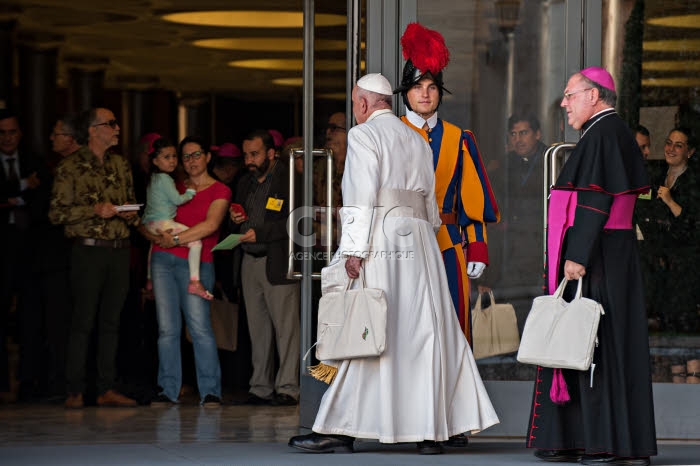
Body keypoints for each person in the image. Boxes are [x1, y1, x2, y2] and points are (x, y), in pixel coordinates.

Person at [288, 73, 499, 455]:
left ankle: (342, 428)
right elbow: (431, 206)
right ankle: (429, 432)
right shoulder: (417, 139)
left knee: (371, 328)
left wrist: (352, 250)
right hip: (420, 241)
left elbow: (359, 195)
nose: (356, 110)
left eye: (355, 103)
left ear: (365, 103)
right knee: (421, 332)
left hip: (381, 236)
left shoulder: (363, 134)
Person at [528, 67, 656, 465]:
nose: (564, 104)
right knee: (600, 344)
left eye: (569, 95)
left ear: (594, 95)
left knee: (593, 345)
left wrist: (576, 257)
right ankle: (585, 438)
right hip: (610, 252)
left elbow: (594, 202)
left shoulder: (601, 133)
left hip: (598, 254)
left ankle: (603, 442)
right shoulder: (608, 132)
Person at [395, 23, 499, 349]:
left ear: (440, 92)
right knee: (407, 330)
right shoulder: (388, 134)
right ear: (406, 92)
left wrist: (477, 245)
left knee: (452, 328)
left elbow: (472, 199)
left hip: (448, 245)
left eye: (431, 86)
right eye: (417, 86)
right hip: (399, 246)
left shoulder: (459, 139)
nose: (424, 93)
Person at [49, 107, 140, 409]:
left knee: (112, 322)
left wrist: (133, 214)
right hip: (88, 250)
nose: (117, 129)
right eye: (111, 124)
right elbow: (56, 213)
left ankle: (106, 388)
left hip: (119, 248)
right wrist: (93, 209)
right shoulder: (70, 166)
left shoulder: (121, 164)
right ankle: (74, 389)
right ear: (92, 130)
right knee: (83, 321)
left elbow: (130, 206)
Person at [143, 136, 230, 407]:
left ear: (207, 157)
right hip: (162, 260)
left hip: (198, 262)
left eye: (196, 154)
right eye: (185, 156)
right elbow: (151, 222)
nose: (191, 161)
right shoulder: (172, 186)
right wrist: (152, 236)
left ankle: (211, 390)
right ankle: (168, 390)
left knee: (200, 327)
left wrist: (177, 239)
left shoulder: (220, 190)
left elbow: (210, 225)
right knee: (167, 329)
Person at [229, 129, 300, 406]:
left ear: (271, 153)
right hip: (249, 260)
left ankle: (288, 388)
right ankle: (260, 387)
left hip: (277, 260)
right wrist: (235, 220)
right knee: (257, 329)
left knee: (286, 329)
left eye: (255, 154)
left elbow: (298, 220)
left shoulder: (291, 178)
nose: (249, 159)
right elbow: (237, 216)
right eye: (246, 154)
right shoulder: (245, 182)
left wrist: (261, 233)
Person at [0, 109, 46, 400]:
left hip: (30, 250)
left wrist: (10, 199)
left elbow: (41, 203)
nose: (7, 138)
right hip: (0, 250)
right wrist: (22, 188)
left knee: (31, 319)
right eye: (2, 133)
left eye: (12, 132)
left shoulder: (34, 162)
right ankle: (2, 386)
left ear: (21, 133)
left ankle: (29, 384)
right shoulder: (26, 175)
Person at [638, 128, 699, 333]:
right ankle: (675, 367)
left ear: (689, 152)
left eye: (678, 145)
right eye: (669, 143)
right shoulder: (656, 175)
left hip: (685, 265)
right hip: (659, 262)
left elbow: (693, 225)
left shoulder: (694, 182)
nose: (671, 149)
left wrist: (670, 201)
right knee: (666, 325)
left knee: (685, 324)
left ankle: (693, 367)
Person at [142, 137, 213, 300]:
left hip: (150, 223)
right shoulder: (165, 179)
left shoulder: (153, 178)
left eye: (174, 156)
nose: (172, 161)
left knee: (153, 245)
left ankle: (149, 281)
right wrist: (190, 192)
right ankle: (195, 282)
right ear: (155, 161)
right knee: (196, 242)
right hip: (162, 222)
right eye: (166, 157)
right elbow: (177, 200)